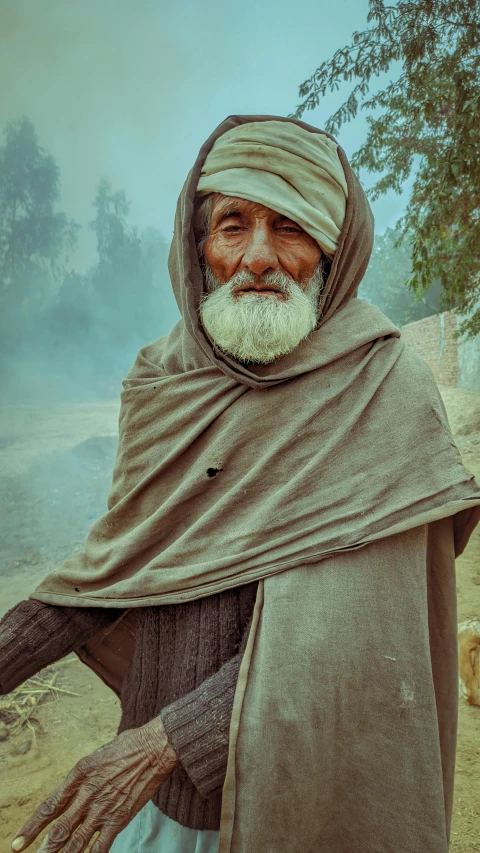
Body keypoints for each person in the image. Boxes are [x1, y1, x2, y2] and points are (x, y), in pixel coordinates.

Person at [1, 115, 480, 853]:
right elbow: (121, 567)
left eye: (289, 224)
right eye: (232, 225)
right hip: (147, 810)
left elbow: (354, 645)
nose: (259, 256)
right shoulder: (163, 382)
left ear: (333, 245)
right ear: (199, 248)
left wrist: (164, 741)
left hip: (309, 805)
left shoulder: (386, 392)